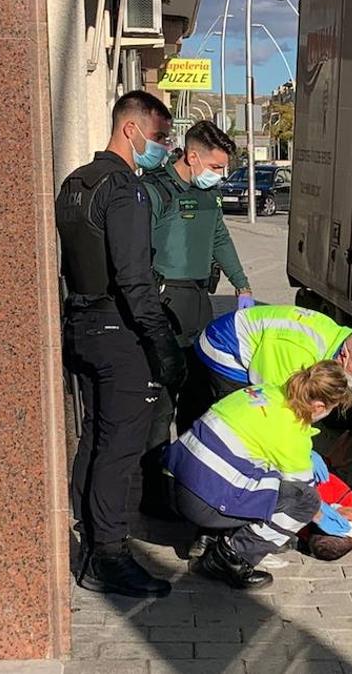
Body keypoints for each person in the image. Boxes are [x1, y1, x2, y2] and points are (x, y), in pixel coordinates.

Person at [56, 90, 185, 598]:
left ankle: (91, 541)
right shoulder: (123, 187)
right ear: (130, 130)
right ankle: (108, 555)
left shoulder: (74, 183)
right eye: (159, 138)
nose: (163, 148)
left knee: (94, 439)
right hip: (118, 330)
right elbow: (134, 281)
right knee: (119, 448)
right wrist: (163, 348)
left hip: (82, 326)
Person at [163, 360, 352, 590]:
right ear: (317, 406)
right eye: (332, 408)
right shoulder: (292, 431)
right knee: (304, 501)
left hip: (175, 480)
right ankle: (231, 558)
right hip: (200, 500)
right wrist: (336, 522)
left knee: (265, 474)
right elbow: (305, 498)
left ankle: (213, 537)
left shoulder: (263, 391)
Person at [139, 120, 251, 516]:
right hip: (166, 300)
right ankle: (153, 494)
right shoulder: (156, 191)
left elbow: (220, 238)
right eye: (216, 167)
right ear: (192, 156)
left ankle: (192, 484)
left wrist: (242, 285)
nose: (219, 176)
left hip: (200, 300)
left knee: (199, 398)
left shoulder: (208, 198)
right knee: (161, 403)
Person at [196, 304, 352, 398]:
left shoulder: (335, 339)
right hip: (223, 345)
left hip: (253, 344)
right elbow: (272, 396)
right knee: (249, 410)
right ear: (344, 355)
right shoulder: (300, 350)